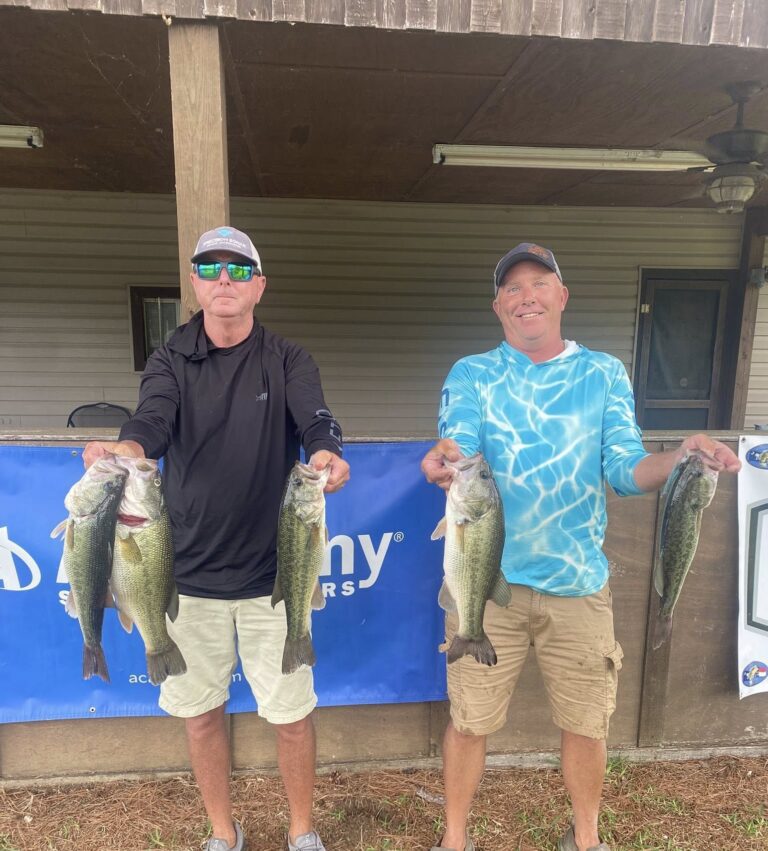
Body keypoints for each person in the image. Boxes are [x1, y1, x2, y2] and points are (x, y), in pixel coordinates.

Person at [420, 243, 740, 851]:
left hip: (579, 586)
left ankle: (587, 839)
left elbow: (625, 467)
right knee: (468, 721)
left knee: (588, 725)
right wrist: (443, 460)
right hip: (487, 586)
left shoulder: (603, 374)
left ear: (562, 297)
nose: (526, 296)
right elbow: (457, 445)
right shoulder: (472, 373)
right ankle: (454, 840)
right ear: (498, 307)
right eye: (512, 289)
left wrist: (683, 459)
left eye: (539, 283)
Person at [84, 226, 349, 851]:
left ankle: (302, 833)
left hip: (274, 577)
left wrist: (328, 454)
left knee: (290, 716)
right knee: (202, 716)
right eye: (210, 268)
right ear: (195, 285)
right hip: (185, 578)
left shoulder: (288, 359)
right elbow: (151, 419)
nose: (224, 280)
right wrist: (125, 449)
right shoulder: (170, 358)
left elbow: (316, 420)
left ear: (258, 285)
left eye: (238, 269)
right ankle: (223, 834)